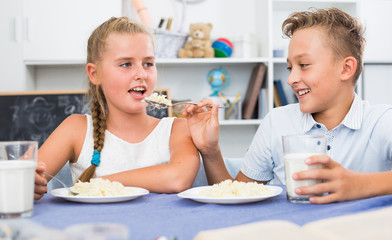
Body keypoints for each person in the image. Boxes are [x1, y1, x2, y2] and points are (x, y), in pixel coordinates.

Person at [183, 8, 392, 204]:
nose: (291, 78)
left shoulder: (381, 121)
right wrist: (210, 150)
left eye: (303, 65)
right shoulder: (277, 122)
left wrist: (359, 185)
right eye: (290, 67)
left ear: (346, 69)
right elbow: (237, 194)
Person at [34, 17, 200, 200]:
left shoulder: (177, 129)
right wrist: (28, 185)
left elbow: (177, 178)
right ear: (94, 73)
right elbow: (24, 181)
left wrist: (95, 183)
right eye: (126, 64)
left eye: (148, 63)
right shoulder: (75, 129)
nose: (141, 74)